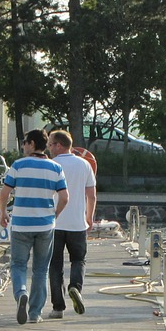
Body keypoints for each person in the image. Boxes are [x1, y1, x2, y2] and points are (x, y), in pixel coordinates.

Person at [0, 129, 68, 325]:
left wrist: (3, 213)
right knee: (40, 269)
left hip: (21, 224)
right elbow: (64, 198)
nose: (22, 147)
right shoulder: (55, 168)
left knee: (18, 265)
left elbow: (4, 194)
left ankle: (21, 293)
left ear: (31, 144)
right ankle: (35, 313)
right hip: (45, 225)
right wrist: (55, 215)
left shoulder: (18, 165)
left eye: (24, 143)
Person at [47, 129, 97, 319]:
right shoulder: (85, 164)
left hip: (54, 222)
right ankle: (75, 287)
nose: (49, 148)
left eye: (51, 144)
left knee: (55, 265)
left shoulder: (51, 165)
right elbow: (91, 195)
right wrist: (89, 217)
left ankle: (58, 308)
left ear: (59, 145)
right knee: (78, 260)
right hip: (77, 223)